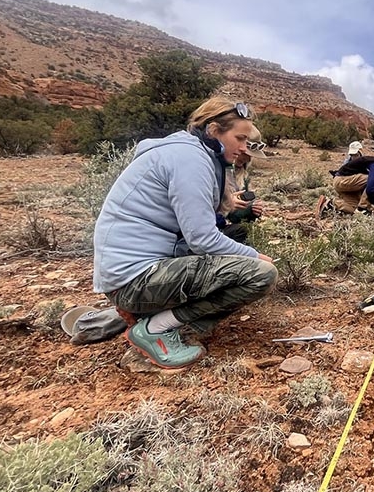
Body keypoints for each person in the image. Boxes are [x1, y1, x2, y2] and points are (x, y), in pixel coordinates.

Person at [93, 97, 278, 369]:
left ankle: (154, 315)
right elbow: (202, 238)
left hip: (130, 274)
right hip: (135, 280)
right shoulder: (191, 160)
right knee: (260, 274)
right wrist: (253, 256)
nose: (243, 147)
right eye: (239, 138)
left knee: (234, 251)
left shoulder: (189, 152)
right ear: (214, 131)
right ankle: (156, 329)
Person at [218, 126, 267, 243]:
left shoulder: (242, 176)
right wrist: (227, 204)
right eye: (245, 153)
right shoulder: (216, 169)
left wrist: (251, 211)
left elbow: (235, 217)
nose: (248, 158)